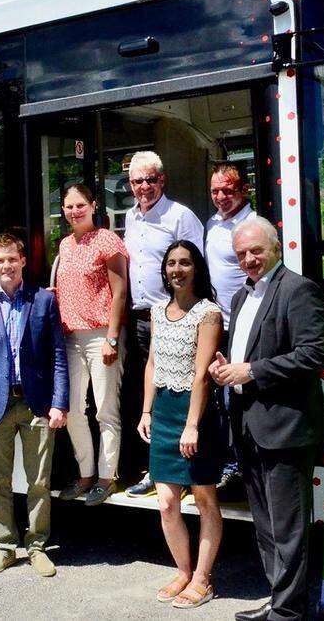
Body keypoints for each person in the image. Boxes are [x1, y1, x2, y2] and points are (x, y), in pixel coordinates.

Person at [209, 216, 324, 621]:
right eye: (242, 253)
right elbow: (247, 353)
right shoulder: (243, 296)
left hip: (285, 428)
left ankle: (290, 613)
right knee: (264, 525)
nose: (249, 259)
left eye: (256, 250)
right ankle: (278, 601)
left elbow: (313, 354)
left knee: (289, 527)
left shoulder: (298, 289)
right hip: (248, 425)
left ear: (275, 247)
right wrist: (227, 367)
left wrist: (252, 371)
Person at [0, 233, 68, 577]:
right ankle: (6, 547)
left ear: (22, 261)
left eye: (12, 259)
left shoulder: (43, 301)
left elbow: (58, 355)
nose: (6, 266)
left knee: (39, 482)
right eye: (0, 260)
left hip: (37, 403)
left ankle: (37, 546)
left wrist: (59, 402)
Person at [136, 240, 224, 609]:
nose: (177, 270)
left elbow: (203, 374)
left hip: (196, 413)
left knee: (204, 498)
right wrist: (146, 412)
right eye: (171, 264)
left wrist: (193, 425)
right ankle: (183, 571)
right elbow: (153, 364)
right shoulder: (158, 310)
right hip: (165, 413)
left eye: (185, 263)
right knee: (167, 502)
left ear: (196, 268)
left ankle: (203, 579)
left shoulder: (209, 313)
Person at [123, 150, 204, 498]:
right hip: (140, 319)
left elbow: (195, 269)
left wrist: (185, 316)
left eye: (150, 179)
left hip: (174, 320)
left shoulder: (180, 216)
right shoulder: (130, 217)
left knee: (179, 395)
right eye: (137, 181)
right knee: (149, 395)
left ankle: (183, 473)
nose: (144, 186)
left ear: (162, 180)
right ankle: (156, 470)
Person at [53, 182, 128, 506]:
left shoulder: (107, 240)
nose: (74, 211)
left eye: (80, 205)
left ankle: (106, 477)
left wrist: (112, 337)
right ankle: (85, 474)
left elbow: (120, 290)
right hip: (71, 337)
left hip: (101, 336)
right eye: (69, 207)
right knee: (72, 410)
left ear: (94, 205)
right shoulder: (65, 245)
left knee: (105, 410)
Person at [204, 163, 256, 498]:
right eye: (215, 191)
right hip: (216, 323)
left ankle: (241, 466)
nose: (221, 197)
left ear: (244, 190)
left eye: (228, 190)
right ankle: (227, 462)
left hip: (243, 326)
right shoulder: (212, 223)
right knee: (217, 399)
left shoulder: (253, 226)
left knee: (235, 396)